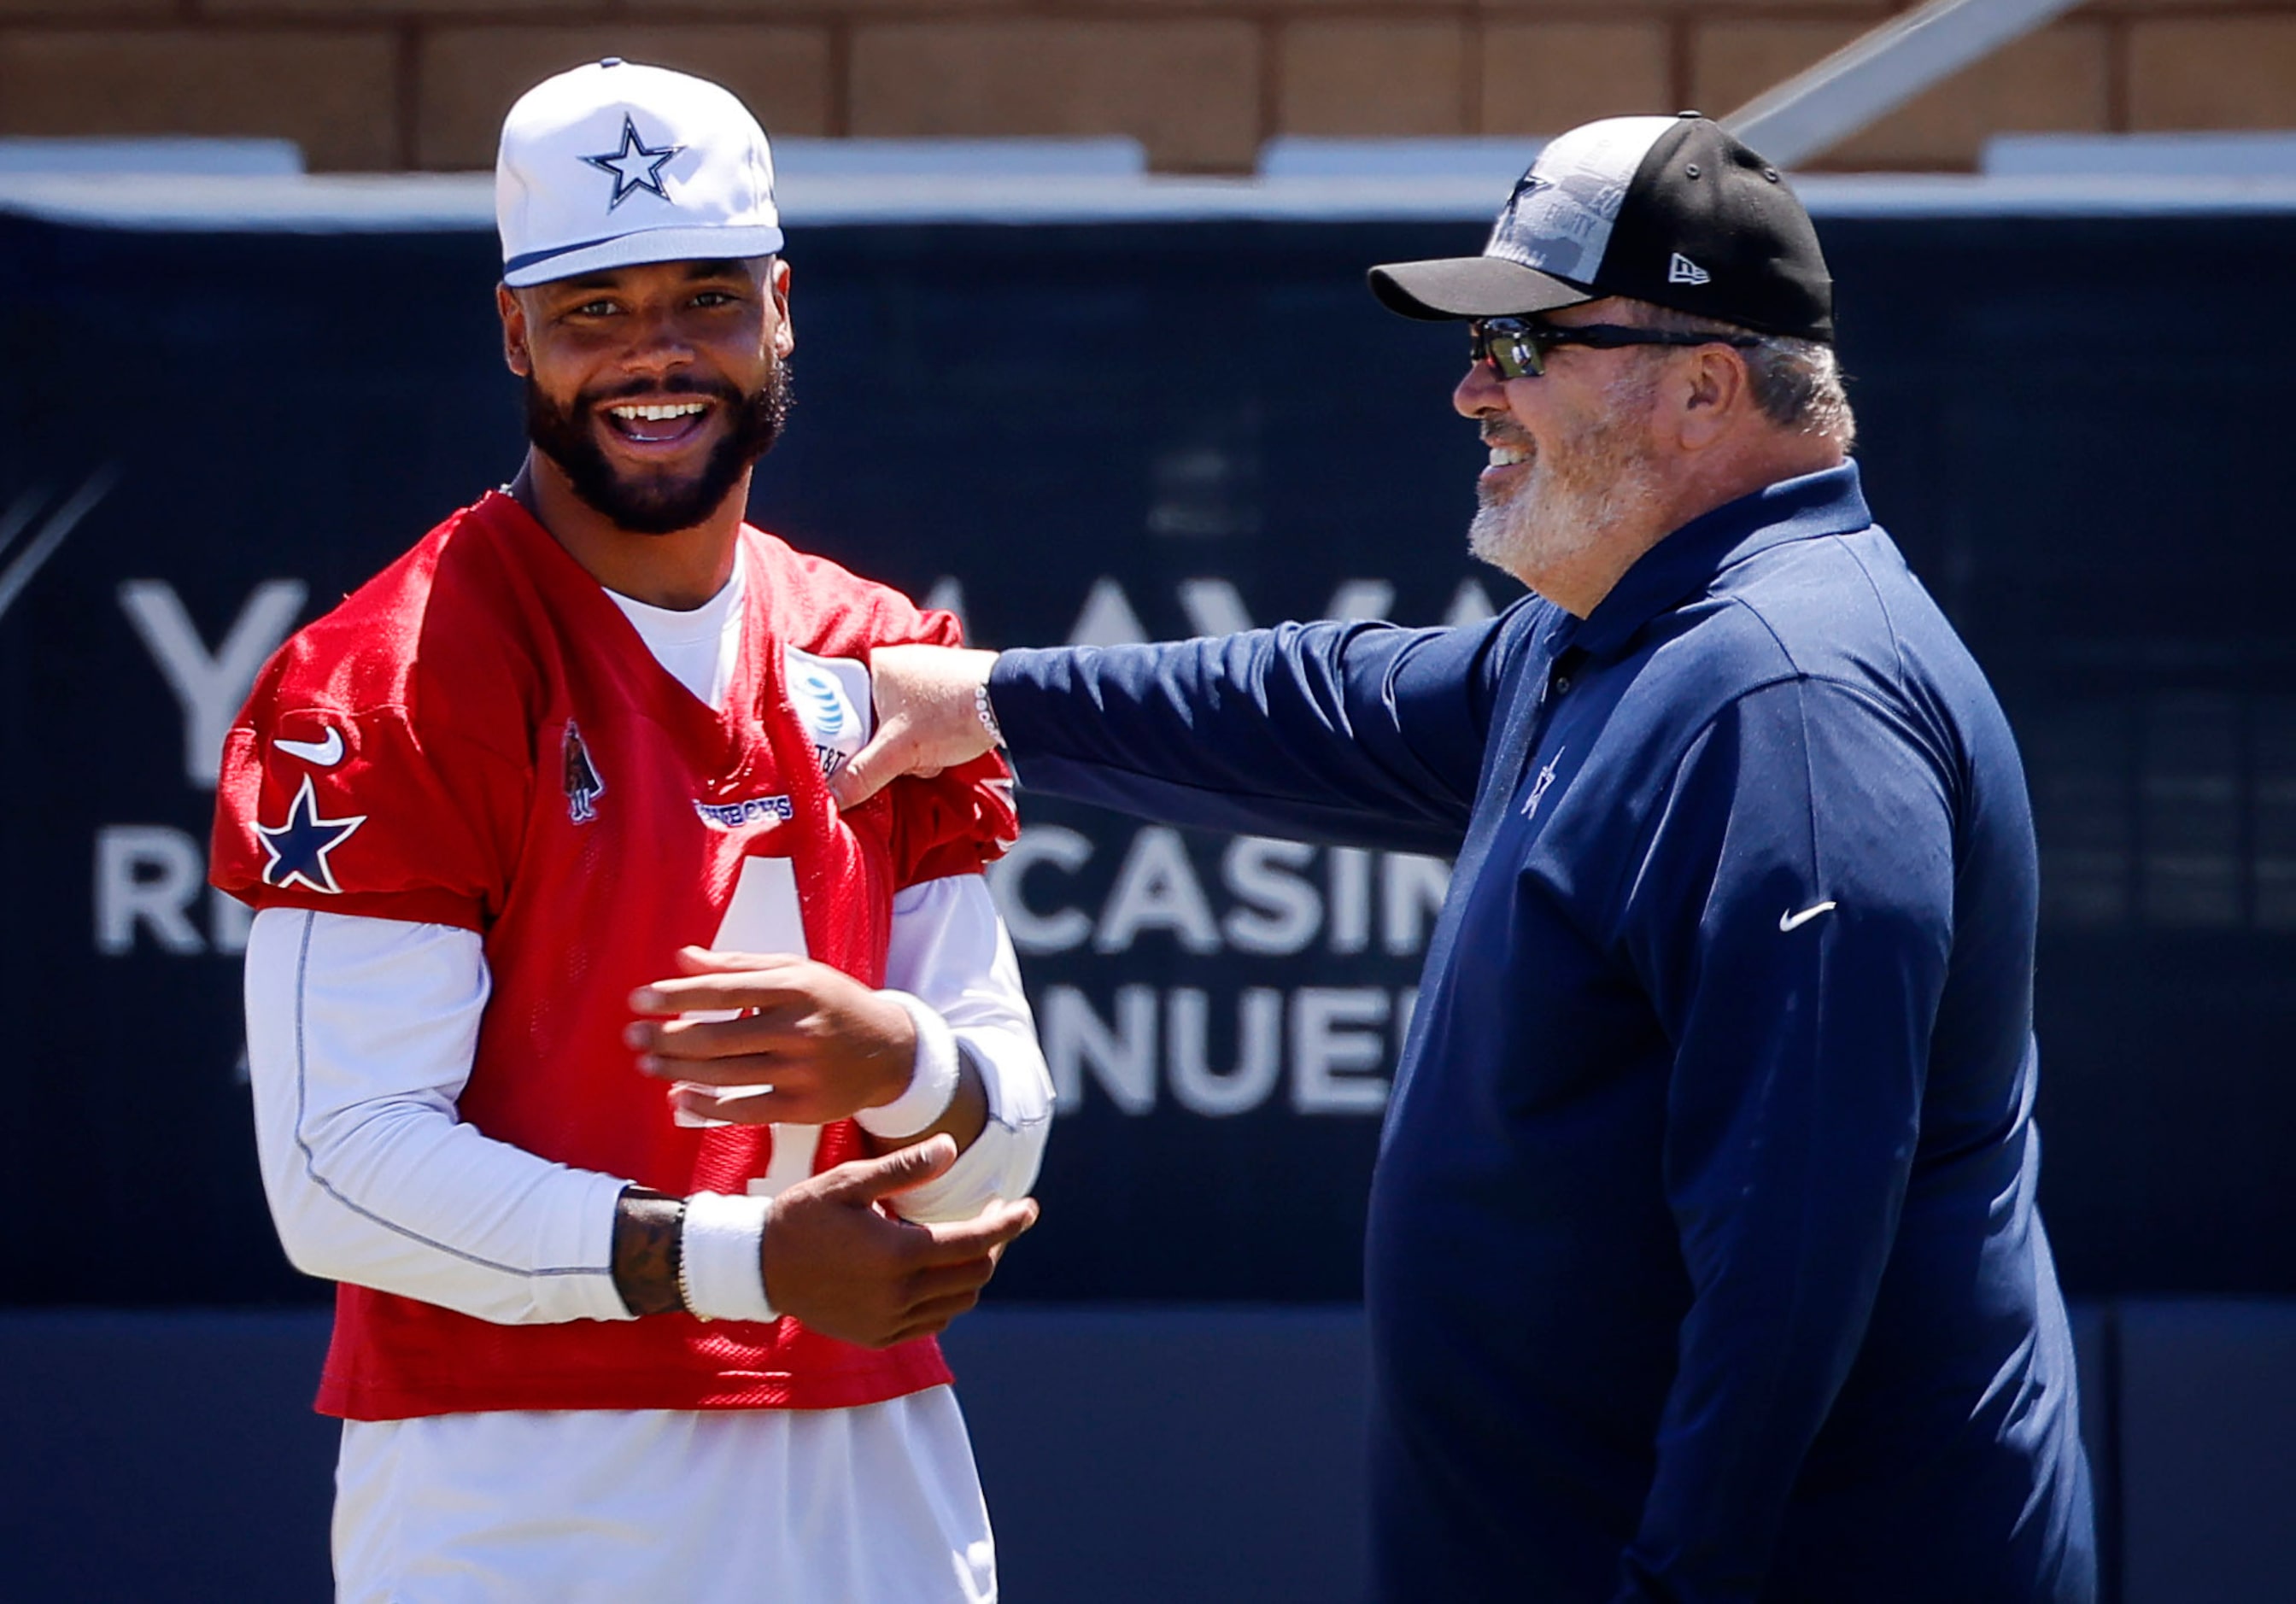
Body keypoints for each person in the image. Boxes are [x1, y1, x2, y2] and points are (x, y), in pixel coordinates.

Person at [830, 114, 2096, 1602]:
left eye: (1521, 341)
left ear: (1703, 386)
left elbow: (1794, 1260)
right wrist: (983, 700)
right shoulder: (1624, 637)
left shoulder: (1790, 700)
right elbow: (1324, 698)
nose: (1471, 386)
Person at [209, 60, 1051, 1603]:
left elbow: (999, 1132)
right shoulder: (394, 674)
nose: (656, 353)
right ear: (515, 330)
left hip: (872, 1478)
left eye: (706, 300)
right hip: (514, 1496)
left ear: (781, 308)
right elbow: (335, 1172)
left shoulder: (872, 653)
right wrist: (739, 1257)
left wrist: (902, 1066)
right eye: (594, 308)